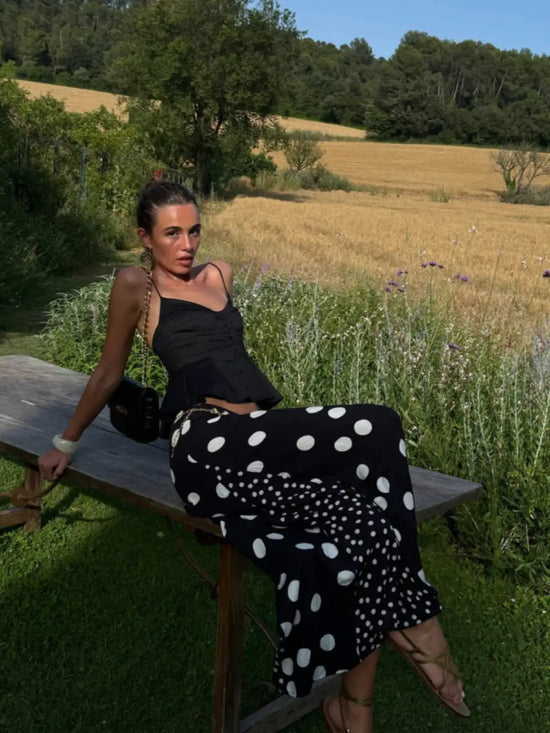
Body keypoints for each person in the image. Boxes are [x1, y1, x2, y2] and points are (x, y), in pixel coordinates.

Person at [39, 180, 470, 732]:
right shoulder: (135, 285)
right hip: (204, 446)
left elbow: (229, 357)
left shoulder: (220, 274)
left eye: (194, 231)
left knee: (362, 525)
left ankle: (352, 710)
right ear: (144, 237)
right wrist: (66, 442)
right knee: (378, 425)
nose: (186, 245)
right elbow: (108, 372)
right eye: (171, 233)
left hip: (255, 440)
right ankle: (421, 622)